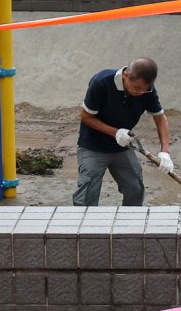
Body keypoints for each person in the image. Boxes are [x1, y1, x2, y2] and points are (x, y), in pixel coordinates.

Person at [74, 58, 173, 207]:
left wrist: (165, 151)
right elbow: (86, 116)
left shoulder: (147, 90)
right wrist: (115, 132)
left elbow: (161, 119)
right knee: (87, 194)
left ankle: (131, 220)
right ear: (125, 76)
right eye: (136, 88)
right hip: (93, 146)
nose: (140, 92)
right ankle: (84, 221)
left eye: (144, 89)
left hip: (122, 147)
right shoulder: (102, 83)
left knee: (135, 187)